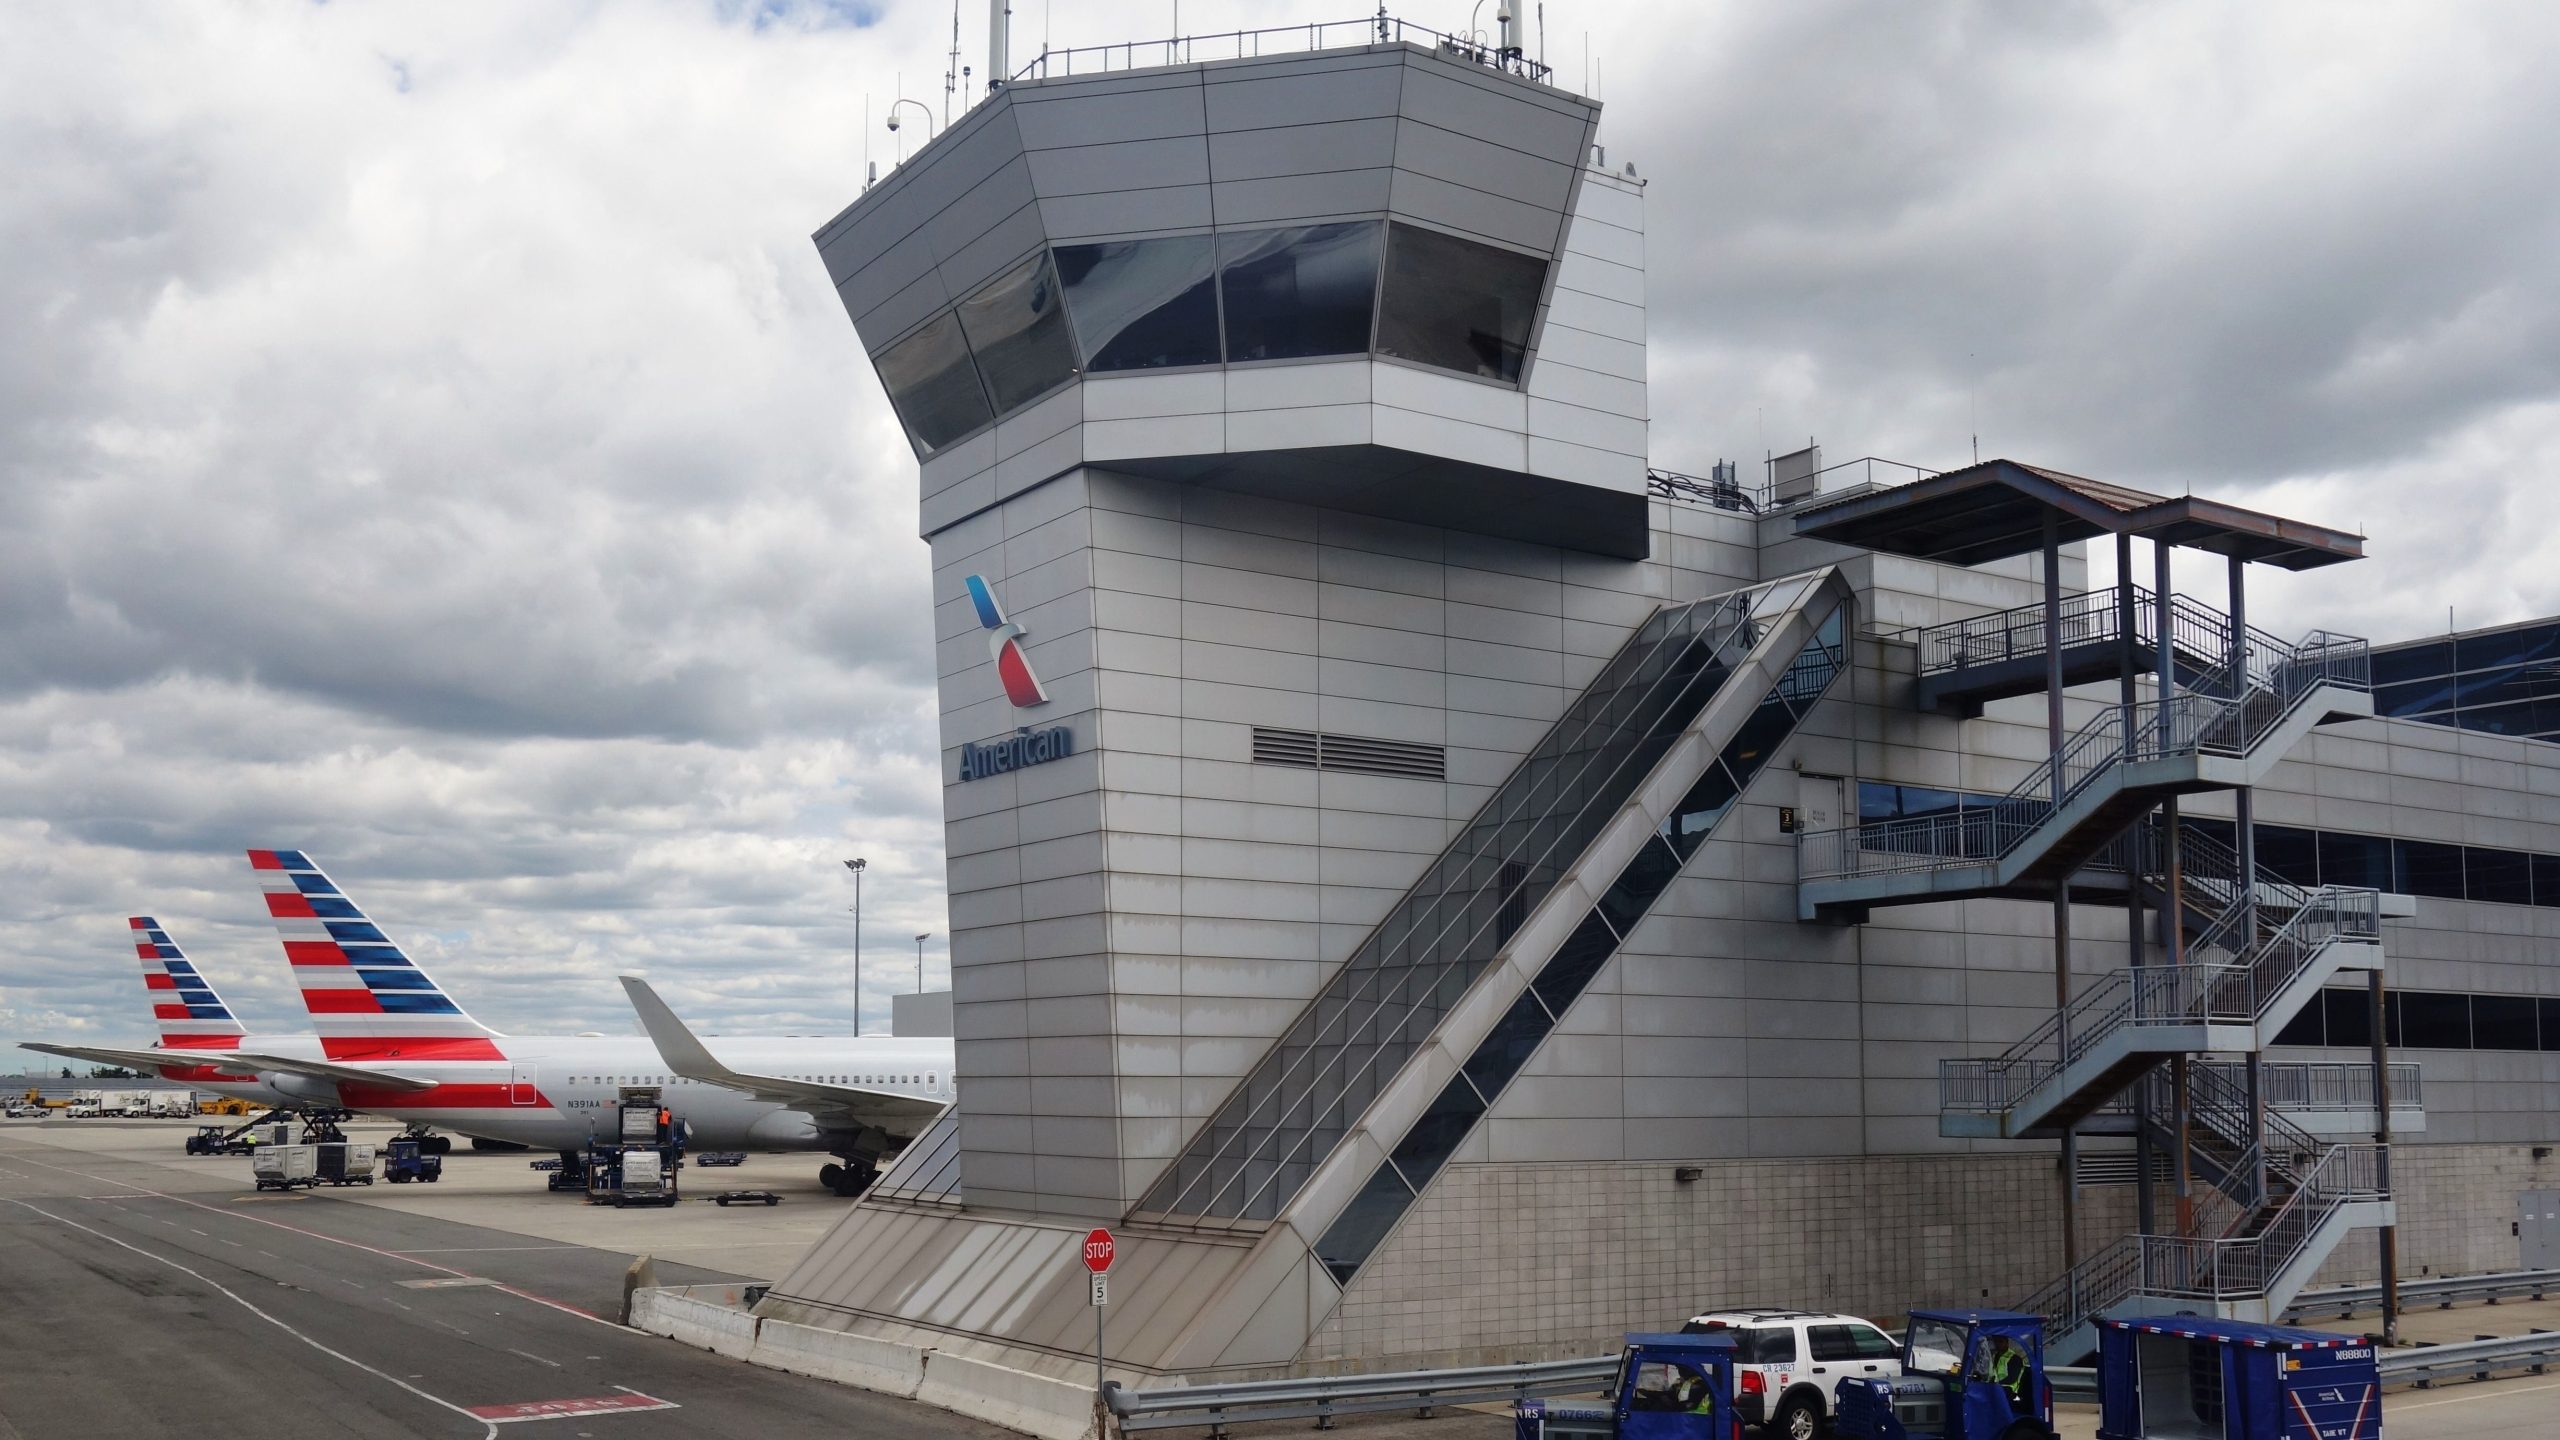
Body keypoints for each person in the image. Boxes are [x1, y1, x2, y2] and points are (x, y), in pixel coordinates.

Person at [1985, 1334, 2030, 1413]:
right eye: (1996, 1341)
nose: (1998, 1344)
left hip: (2012, 1391)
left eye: (2001, 1341)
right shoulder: (1995, 1356)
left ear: (2007, 1343)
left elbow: (2012, 1378)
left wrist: (1996, 1384)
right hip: (1998, 1388)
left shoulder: (2014, 1358)